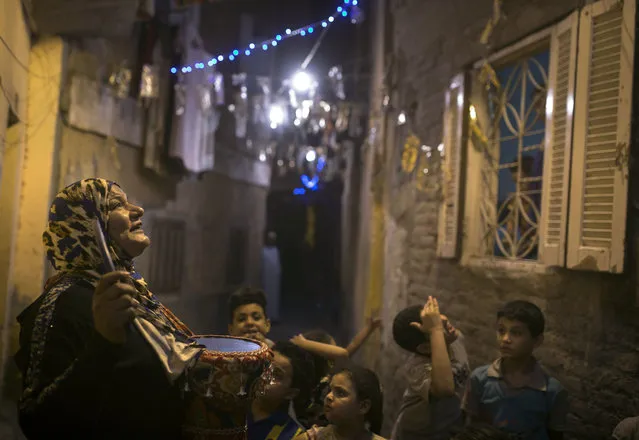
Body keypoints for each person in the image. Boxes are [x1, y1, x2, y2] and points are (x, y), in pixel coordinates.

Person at [14, 178, 201, 439]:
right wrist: (104, 341)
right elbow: (39, 421)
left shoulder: (135, 291)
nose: (138, 210)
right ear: (87, 226)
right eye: (117, 205)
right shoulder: (64, 304)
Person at [462, 300, 568, 440]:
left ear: (537, 341)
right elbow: (470, 427)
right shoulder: (480, 379)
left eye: (516, 333)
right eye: (501, 330)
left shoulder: (551, 391)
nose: (505, 339)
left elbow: (555, 434)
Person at [391, 297, 470, 440]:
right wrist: (436, 329)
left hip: (447, 429)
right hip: (417, 435)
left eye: (437, 316)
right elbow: (445, 389)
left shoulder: (455, 340)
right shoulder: (416, 368)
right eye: (436, 325)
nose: (444, 320)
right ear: (426, 348)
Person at [290, 319, 383, 426]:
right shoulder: (322, 383)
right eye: (332, 350)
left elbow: (349, 349)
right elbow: (343, 353)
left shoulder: (310, 379)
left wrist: (369, 328)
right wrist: (304, 343)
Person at [294, 364, 385, 440]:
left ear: (363, 406)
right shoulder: (312, 438)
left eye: (340, 393)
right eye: (329, 390)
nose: (328, 396)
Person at [248, 341, 315, 440]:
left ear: (290, 393)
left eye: (276, 375)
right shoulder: (232, 403)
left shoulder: (293, 435)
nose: (263, 376)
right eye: (266, 366)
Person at [262, 231, 282, 322]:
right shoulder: (263, 250)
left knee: (274, 298)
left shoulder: (275, 250)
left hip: (274, 279)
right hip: (266, 278)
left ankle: (273, 316)